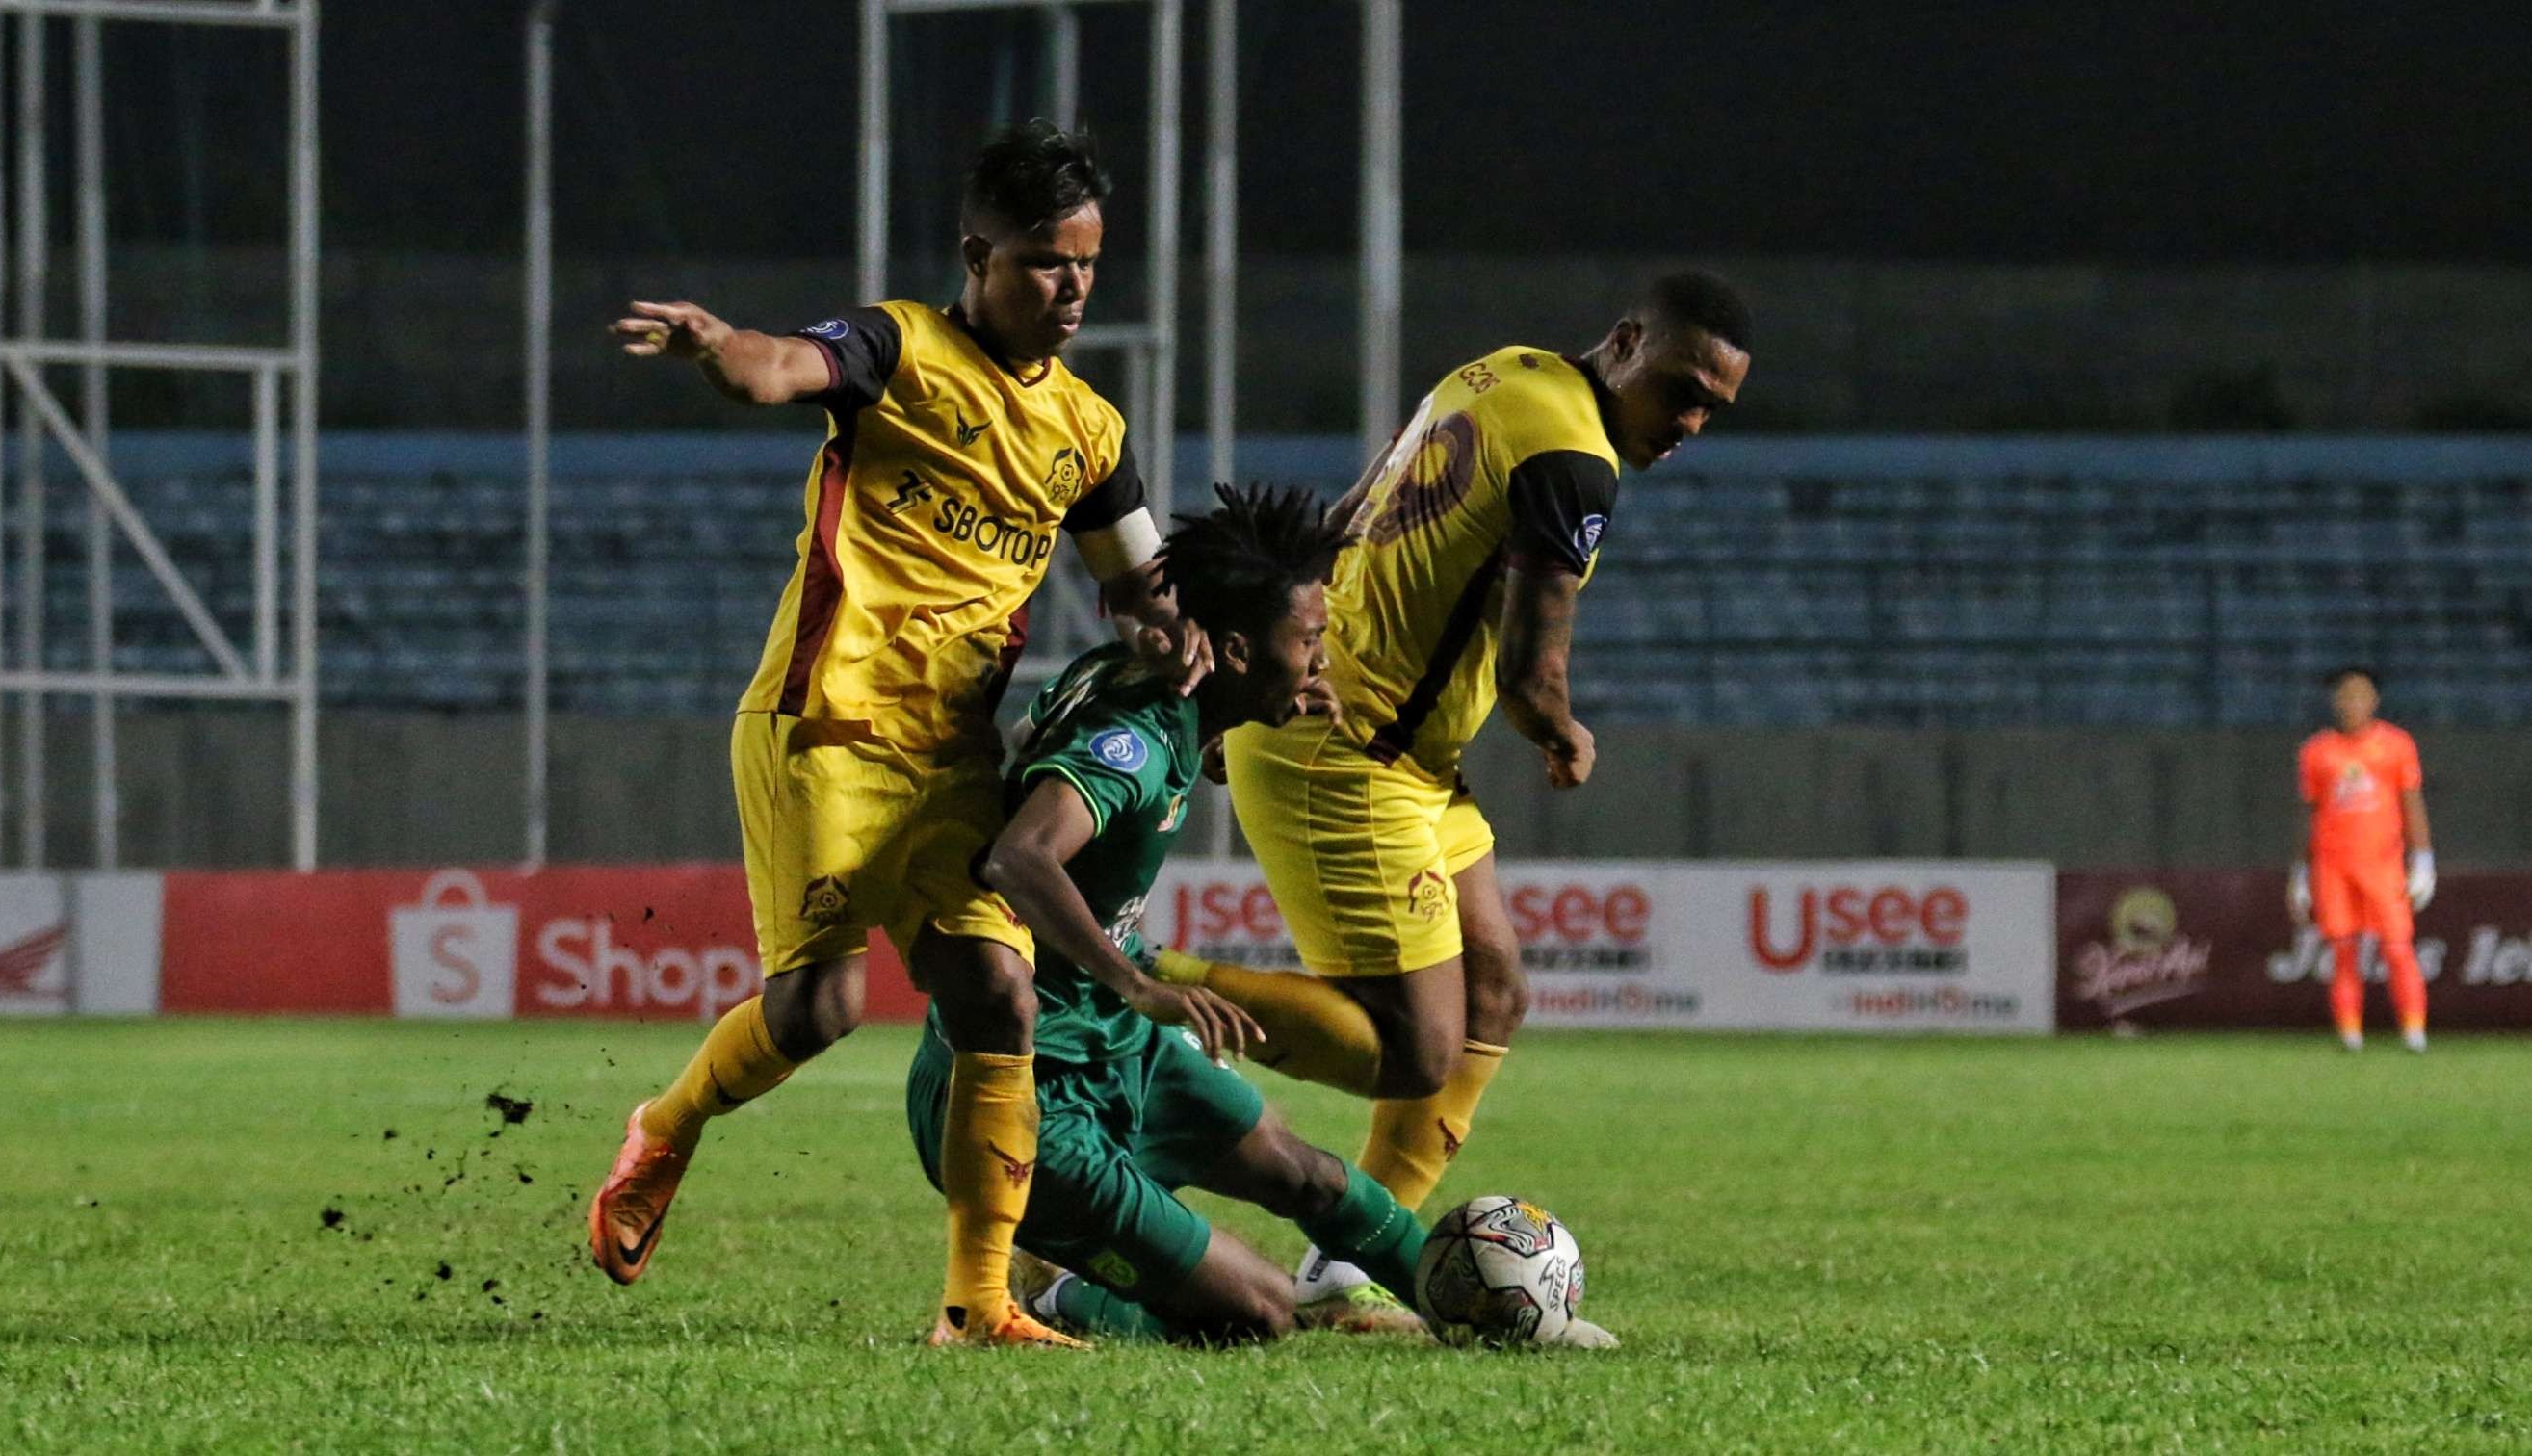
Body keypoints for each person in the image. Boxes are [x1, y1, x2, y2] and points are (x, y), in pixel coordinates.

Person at [587, 121, 1201, 1349]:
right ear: (977, 254)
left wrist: (1170, 639)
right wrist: (719, 347)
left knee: (996, 992)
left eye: (1086, 264)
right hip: (825, 724)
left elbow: (1138, 586)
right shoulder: (897, 349)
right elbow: (776, 369)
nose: (1071, 287)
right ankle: (666, 1126)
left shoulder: (1087, 430)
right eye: (1043, 262)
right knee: (816, 1012)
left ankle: (976, 1306)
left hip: (951, 758)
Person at [1160, 272, 1752, 1320]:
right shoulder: (1574, 461)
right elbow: (1532, 676)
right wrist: (1562, 737)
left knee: (1491, 995)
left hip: (1395, 750)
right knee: (1412, 1047)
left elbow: (1343, 518)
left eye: (1713, 407)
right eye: (1680, 390)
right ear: (1624, 342)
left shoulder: (1500, 374)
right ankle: (1130, 984)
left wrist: (1256, 679)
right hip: (1342, 748)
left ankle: (1341, 1272)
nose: (1690, 422)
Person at [908, 483, 1614, 1346]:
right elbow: (1019, 858)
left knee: (1320, 1182)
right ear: (1239, 649)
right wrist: (1137, 982)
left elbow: (1141, 752)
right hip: (1026, 1093)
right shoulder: (1135, 735)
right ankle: (1054, 1294)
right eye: (1311, 640)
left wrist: (1234, 722)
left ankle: (1493, 1318)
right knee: (1259, 1312)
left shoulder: (1169, 692)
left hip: (1111, 1047)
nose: (1323, 661)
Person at [2291, 666, 2436, 1053]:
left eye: (2361, 695)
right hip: (2332, 865)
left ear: (2374, 700)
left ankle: (2413, 1029)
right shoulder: (2316, 751)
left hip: (2383, 864)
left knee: (2397, 947)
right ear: (2335, 701)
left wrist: (2422, 859)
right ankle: (2350, 1033)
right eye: (2346, 695)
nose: (2353, 703)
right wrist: (2301, 871)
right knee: (2342, 949)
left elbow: (2411, 802)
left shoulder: (2396, 745)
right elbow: (2310, 813)